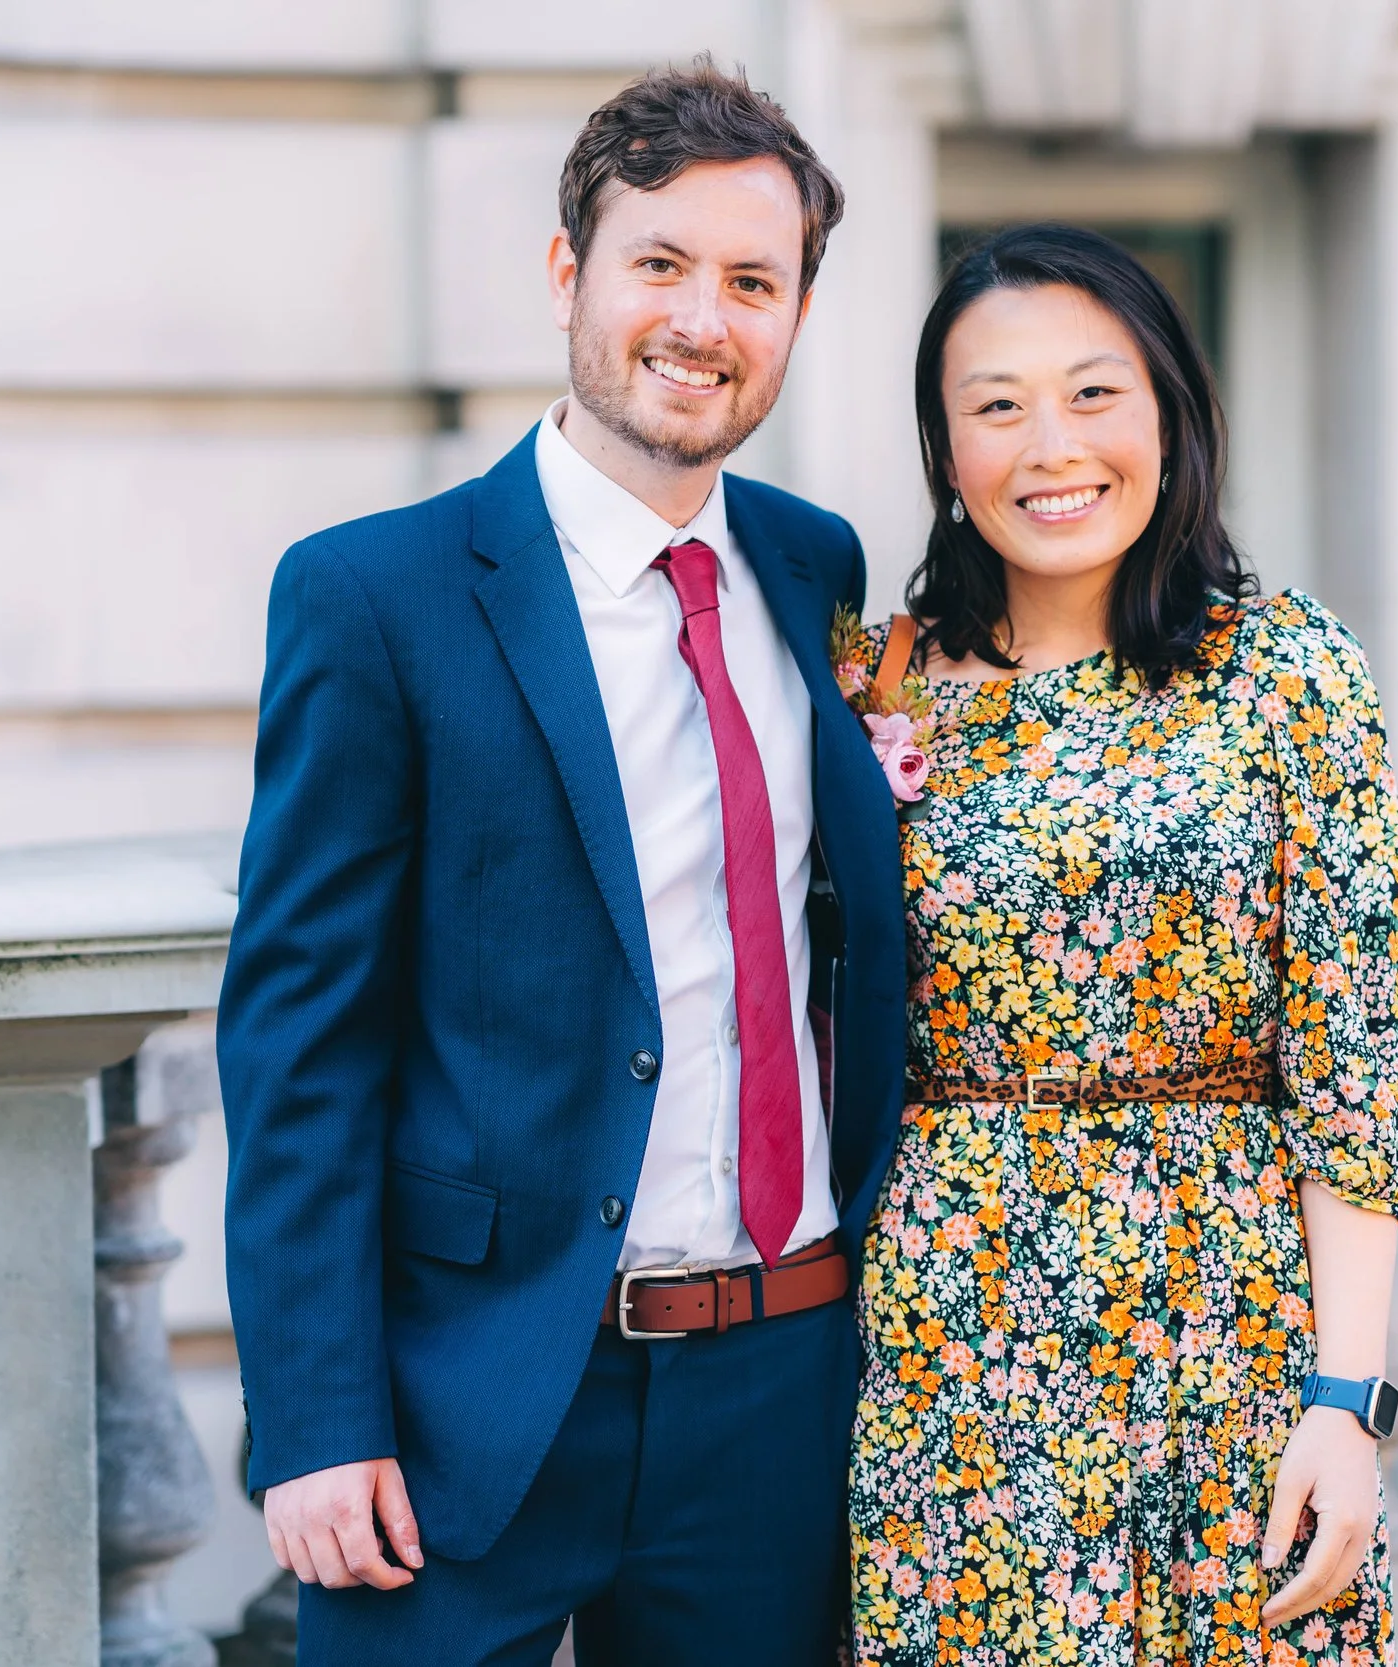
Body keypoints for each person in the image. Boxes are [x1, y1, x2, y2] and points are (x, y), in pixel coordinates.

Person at [215, 60, 909, 1667]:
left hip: (777, 1381)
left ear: (798, 312)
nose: (702, 319)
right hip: (478, 1385)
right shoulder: (374, 597)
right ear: (566, 275)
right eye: (658, 263)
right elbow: (299, 1040)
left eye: (754, 281)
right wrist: (317, 1414)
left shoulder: (815, 571)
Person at [840, 224, 1398, 1666]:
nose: (1052, 446)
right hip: (951, 1335)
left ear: (1170, 411)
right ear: (945, 451)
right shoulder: (869, 682)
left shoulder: (1291, 671)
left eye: (1095, 392)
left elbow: (1358, 1066)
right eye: (997, 405)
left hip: (1226, 1327)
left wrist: (1345, 1405)